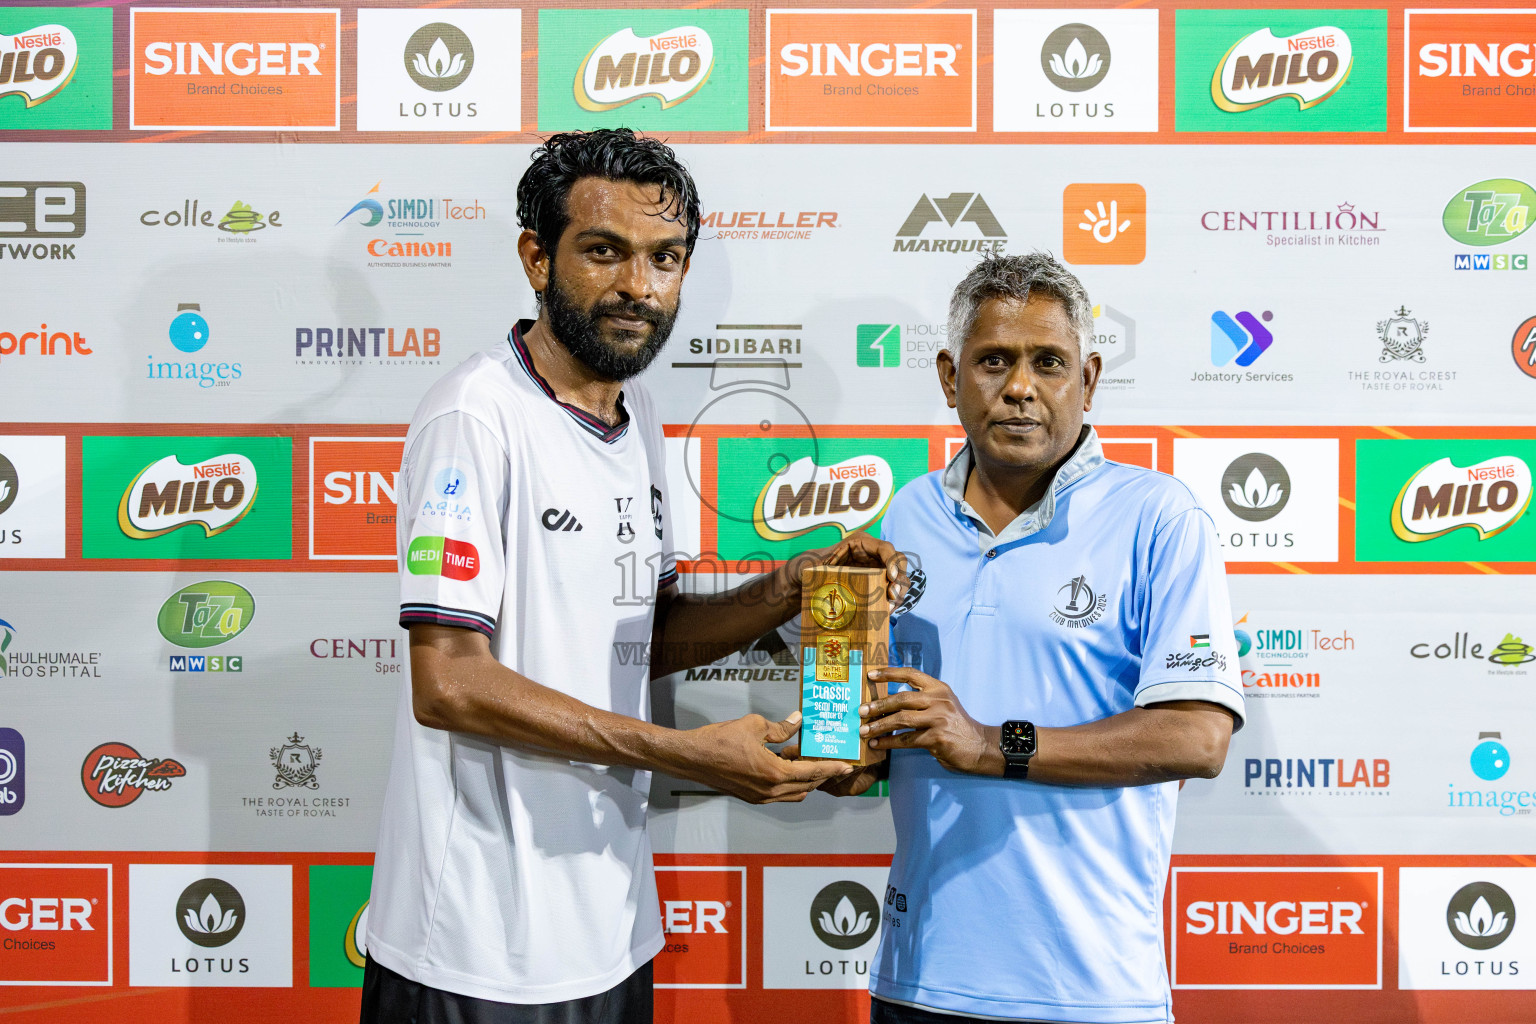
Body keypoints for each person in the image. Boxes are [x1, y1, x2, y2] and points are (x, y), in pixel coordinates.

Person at [361, 129, 903, 1024]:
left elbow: (637, 636)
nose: (639, 288)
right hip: (476, 948)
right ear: (538, 256)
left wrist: (789, 585)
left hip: (610, 929)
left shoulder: (637, 411)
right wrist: (685, 753)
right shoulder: (475, 416)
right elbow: (449, 684)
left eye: (666, 259)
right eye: (604, 251)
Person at [830, 253, 1244, 1024]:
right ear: (951, 378)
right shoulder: (910, 514)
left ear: (1087, 381)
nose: (1020, 387)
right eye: (994, 361)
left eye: (1047, 363)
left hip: (1087, 988)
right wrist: (844, 746)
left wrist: (990, 743)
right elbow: (884, 732)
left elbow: (1198, 737)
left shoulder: (1160, 515)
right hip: (918, 976)